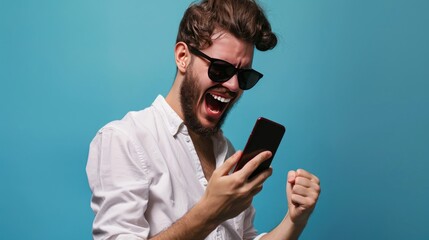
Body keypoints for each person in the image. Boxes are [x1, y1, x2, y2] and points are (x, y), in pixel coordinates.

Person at [86, 0, 321, 239]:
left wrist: (295, 220)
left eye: (244, 76)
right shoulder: (124, 140)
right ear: (182, 57)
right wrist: (210, 211)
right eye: (220, 69)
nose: (232, 86)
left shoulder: (227, 153)